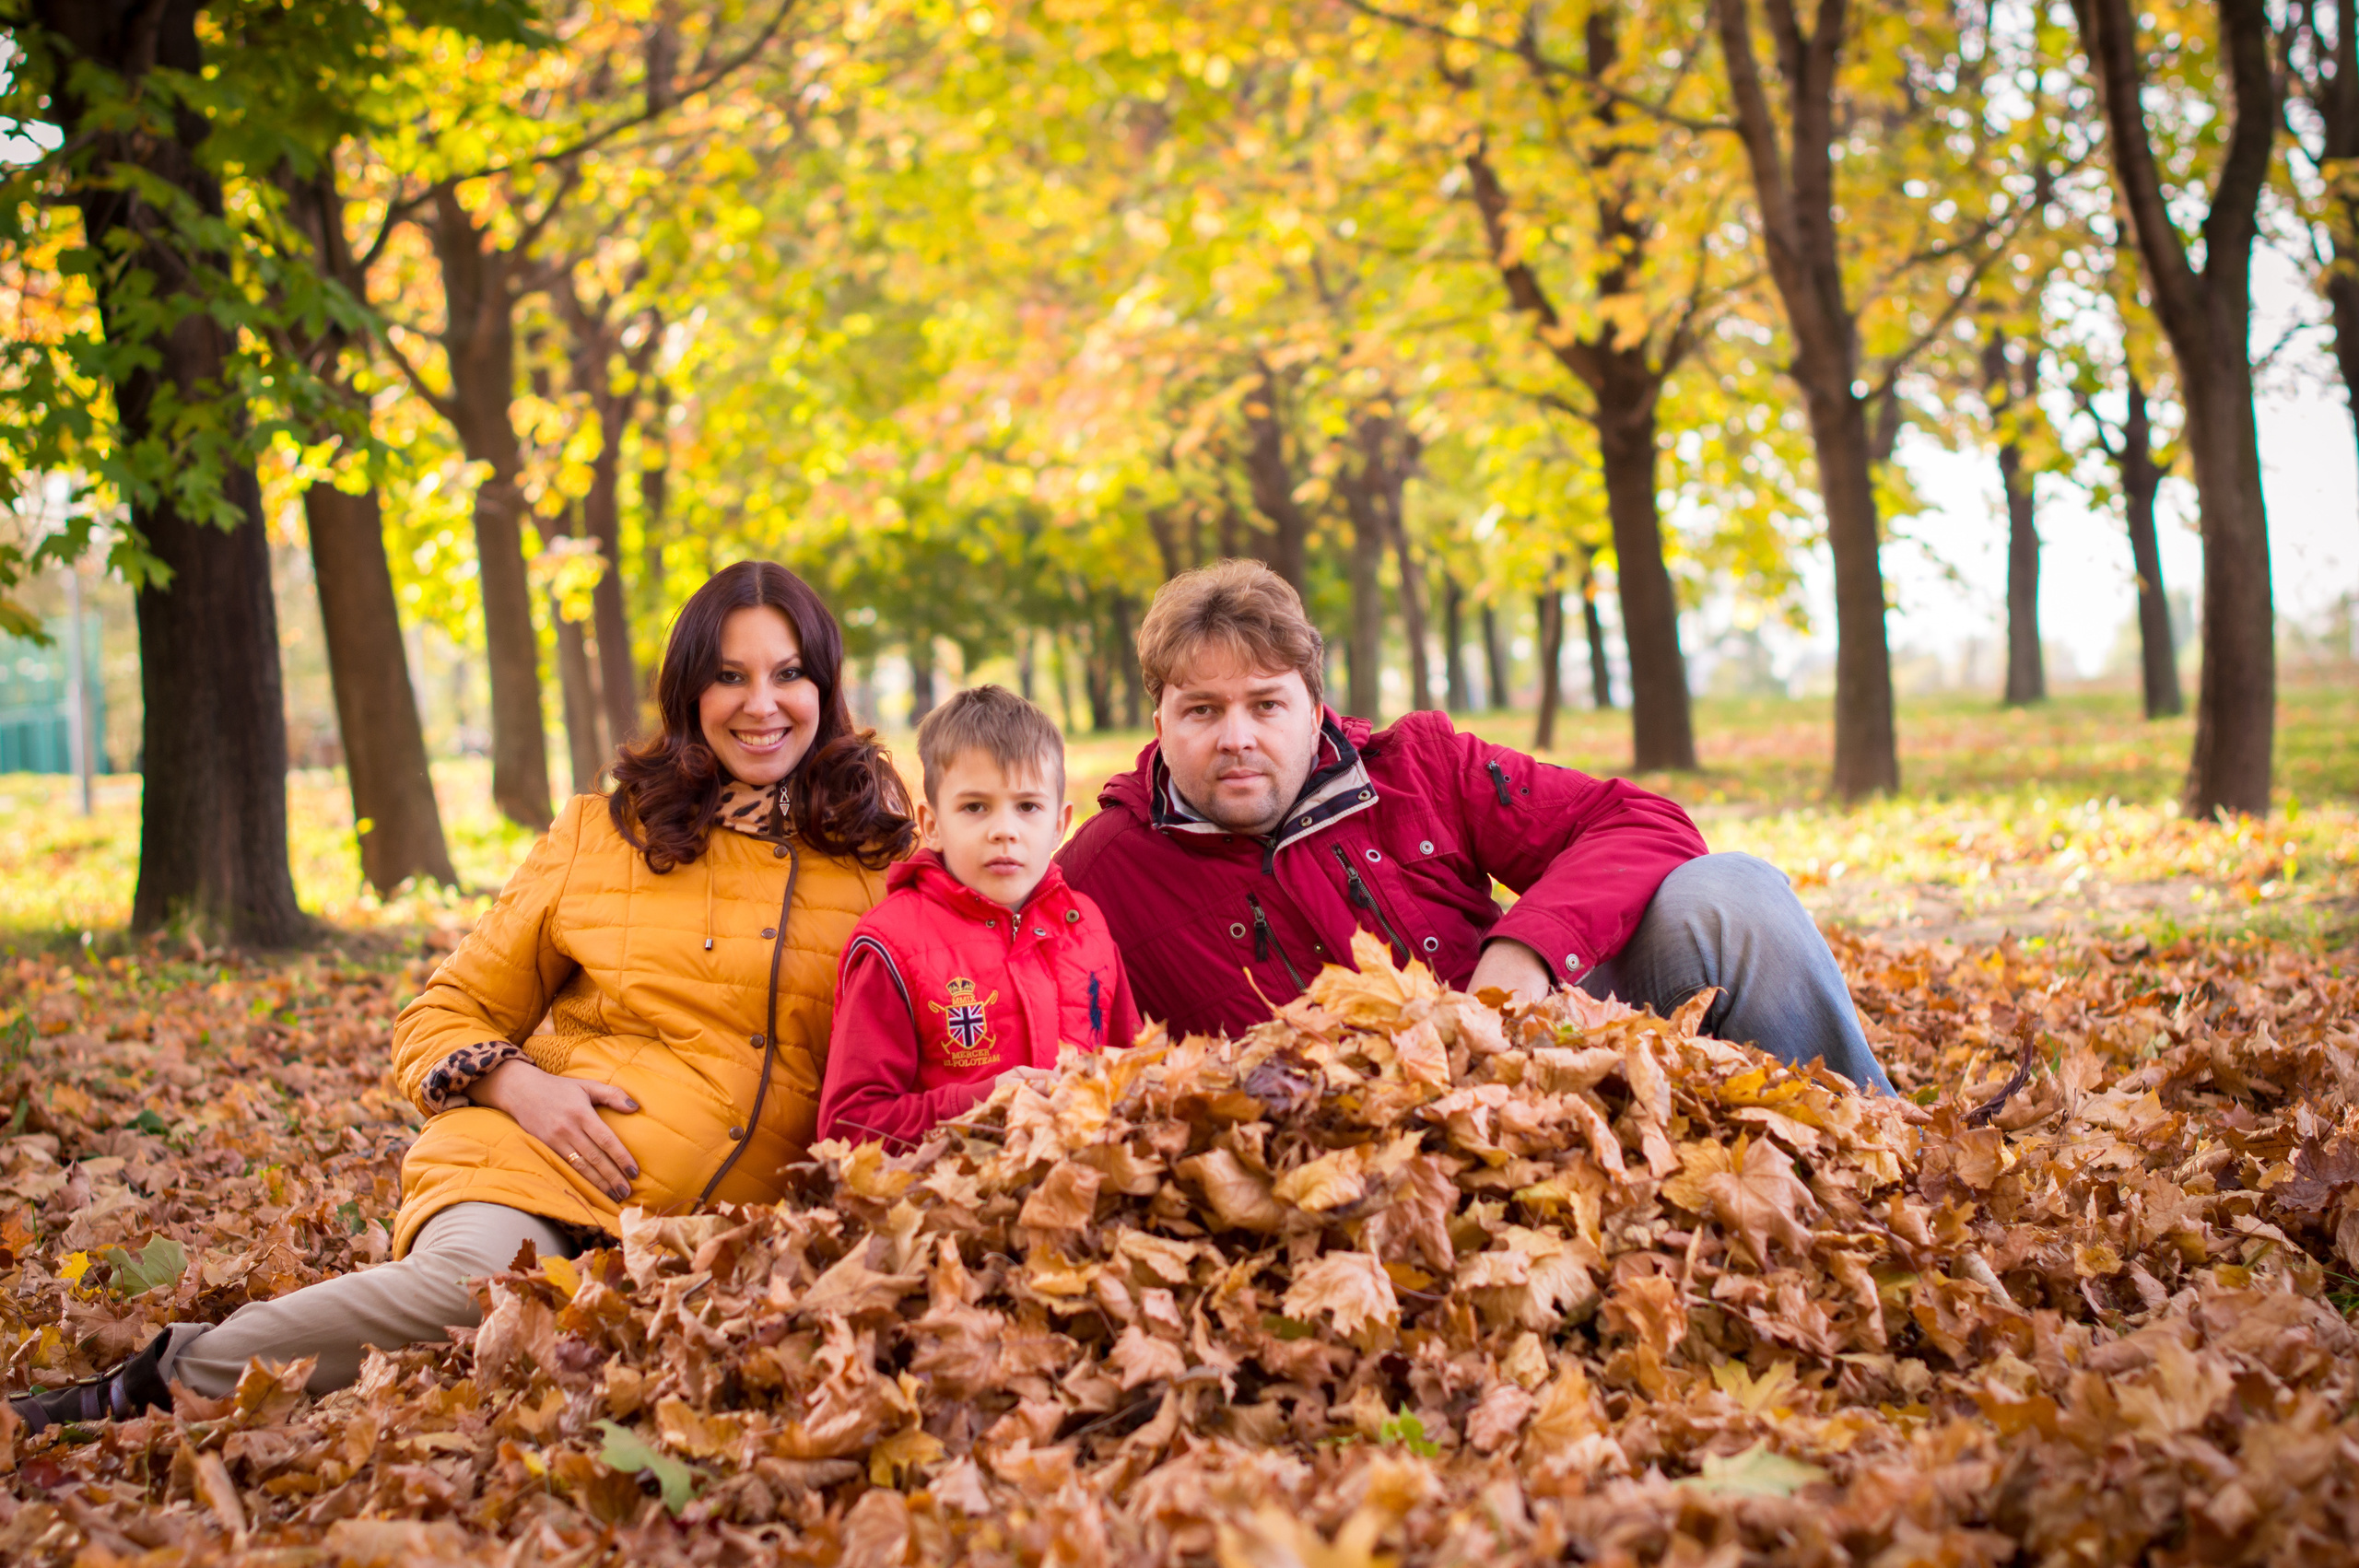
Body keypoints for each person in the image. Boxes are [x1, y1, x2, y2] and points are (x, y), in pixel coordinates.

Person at [10, 561, 913, 1432]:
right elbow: (440, 1016)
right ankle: (148, 1385)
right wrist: (520, 1086)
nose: (761, 703)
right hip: (531, 1173)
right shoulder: (603, 838)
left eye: (788, 673)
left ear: (824, 688)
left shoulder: (884, 866)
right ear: (689, 693)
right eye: (730, 676)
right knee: (473, 1290)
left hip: (717, 1240)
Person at [1056, 560, 1893, 1094]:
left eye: (1266, 705)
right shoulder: (1101, 873)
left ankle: (1878, 1149)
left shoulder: (1419, 770)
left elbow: (1642, 821)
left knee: (1730, 892)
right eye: (1202, 710)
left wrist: (1525, 952)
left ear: (1314, 711)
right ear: (1160, 724)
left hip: (1542, 1066)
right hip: (1339, 1171)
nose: (1236, 737)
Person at [817, 685, 1137, 1150]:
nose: (1004, 831)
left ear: (1059, 825)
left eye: (1027, 806)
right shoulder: (892, 946)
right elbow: (848, 1127)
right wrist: (982, 1105)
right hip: (951, 1191)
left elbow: (1131, 1072)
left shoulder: (1086, 927)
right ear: (932, 825)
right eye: (975, 807)